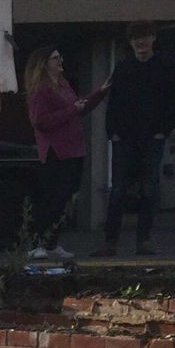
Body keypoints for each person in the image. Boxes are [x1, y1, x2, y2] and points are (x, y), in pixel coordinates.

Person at [96, 22, 175, 257]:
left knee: (149, 188)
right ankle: (110, 242)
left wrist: (165, 129)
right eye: (135, 39)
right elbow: (115, 102)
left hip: (152, 136)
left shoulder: (165, 66)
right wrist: (113, 133)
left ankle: (144, 240)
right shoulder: (123, 68)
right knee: (118, 189)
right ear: (130, 43)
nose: (140, 43)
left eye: (144, 38)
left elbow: (171, 100)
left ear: (153, 39)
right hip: (125, 137)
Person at [24, 45, 110, 262]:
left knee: (65, 200)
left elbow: (78, 106)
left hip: (73, 150)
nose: (60, 60)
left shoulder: (62, 85)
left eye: (60, 56)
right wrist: (73, 110)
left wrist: (100, 93)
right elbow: (40, 121)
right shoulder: (41, 89)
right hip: (56, 151)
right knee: (53, 198)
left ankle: (52, 243)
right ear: (44, 64)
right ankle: (37, 243)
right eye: (55, 58)